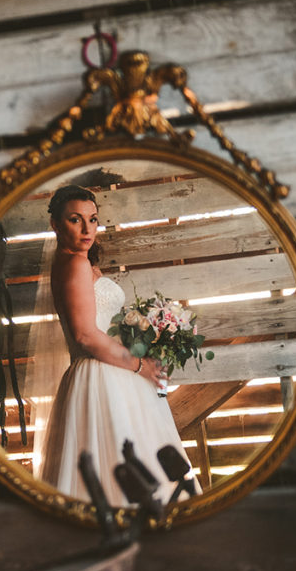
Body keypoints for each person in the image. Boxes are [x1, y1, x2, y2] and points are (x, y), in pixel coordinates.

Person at [32, 183, 195, 506]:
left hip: (107, 370)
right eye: (75, 220)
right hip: (102, 375)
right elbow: (85, 335)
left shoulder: (74, 262)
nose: (87, 228)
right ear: (55, 224)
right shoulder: (75, 264)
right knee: (124, 467)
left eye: (93, 219)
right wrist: (141, 366)